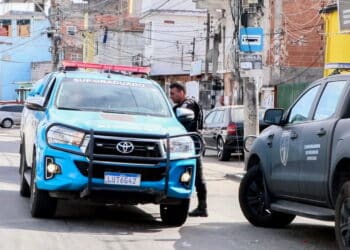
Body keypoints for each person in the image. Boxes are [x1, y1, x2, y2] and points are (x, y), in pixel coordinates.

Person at [169, 82, 208, 217]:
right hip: (182, 143)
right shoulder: (177, 107)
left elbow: (183, 116)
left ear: (181, 92)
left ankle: (202, 207)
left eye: (173, 93)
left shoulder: (188, 104)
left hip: (193, 142)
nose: (171, 96)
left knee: (197, 175)